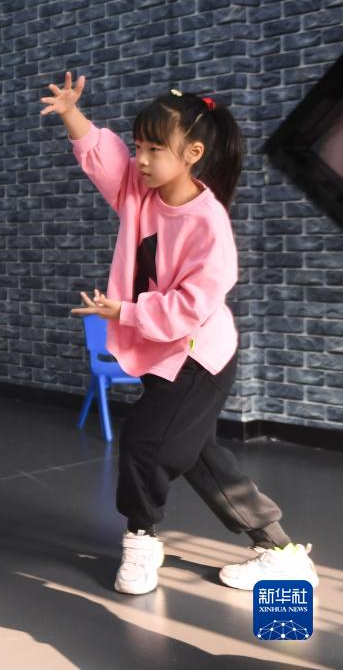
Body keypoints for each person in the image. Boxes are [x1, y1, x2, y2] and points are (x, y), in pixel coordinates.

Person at [43, 73, 319, 594]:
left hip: (198, 358)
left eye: (155, 149)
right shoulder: (138, 190)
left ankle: (141, 539)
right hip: (164, 352)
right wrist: (72, 114)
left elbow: (192, 306)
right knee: (196, 453)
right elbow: (103, 159)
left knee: (145, 443)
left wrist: (125, 311)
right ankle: (279, 550)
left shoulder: (208, 223)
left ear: (192, 153)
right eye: (139, 146)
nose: (141, 159)